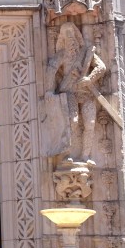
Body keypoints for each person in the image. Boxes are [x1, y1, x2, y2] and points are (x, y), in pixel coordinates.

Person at [45, 22, 106, 165]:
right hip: (69, 93)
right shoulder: (62, 55)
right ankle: (67, 154)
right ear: (63, 39)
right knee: (72, 122)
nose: (71, 40)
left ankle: (85, 156)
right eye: (67, 37)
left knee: (90, 123)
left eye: (72, 36)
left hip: (87, 94)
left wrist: (89, 79)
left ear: (77, 37)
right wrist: (49, 91)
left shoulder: (86, 53)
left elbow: (101, 67)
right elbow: (51, 70)